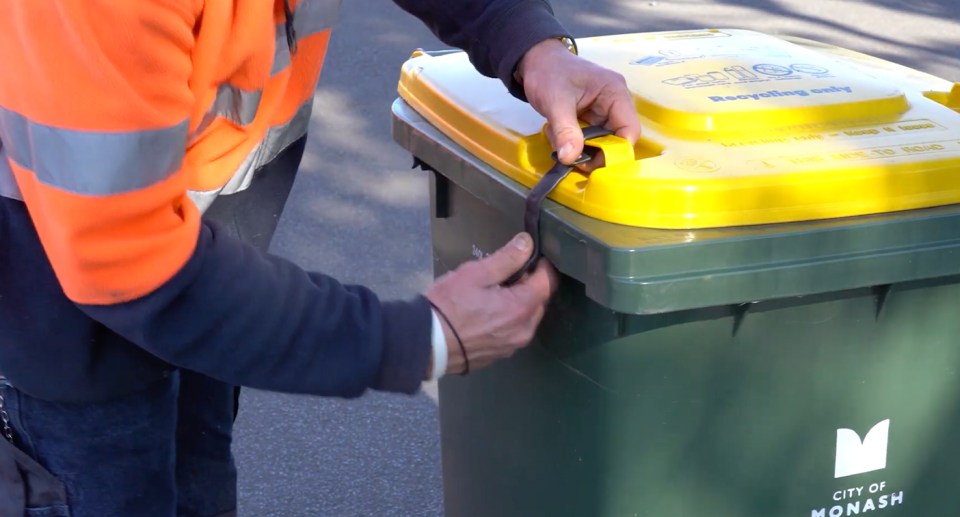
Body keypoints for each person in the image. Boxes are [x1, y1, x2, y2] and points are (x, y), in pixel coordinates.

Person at [0, 0, 641, 516]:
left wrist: (528, 41)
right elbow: (126, 260)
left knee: (199, 483)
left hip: (215, 278)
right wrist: (413, 339)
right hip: (64, 323)